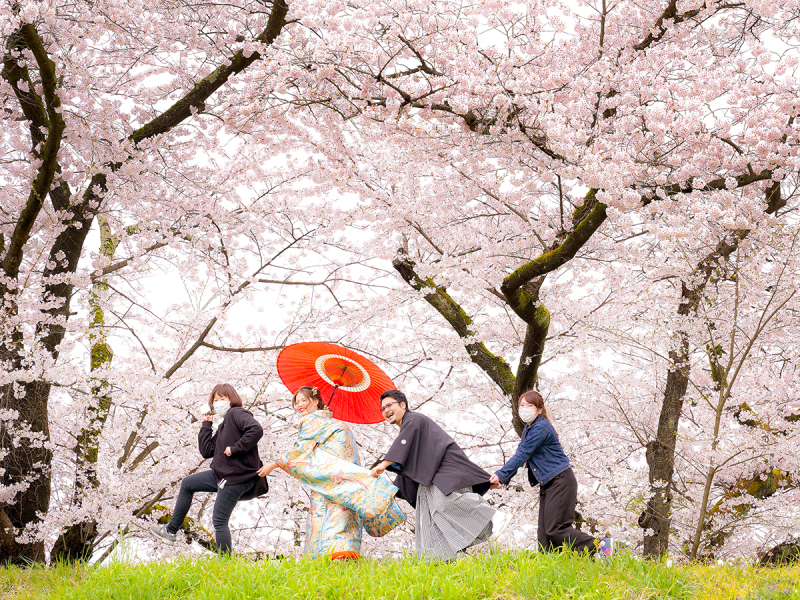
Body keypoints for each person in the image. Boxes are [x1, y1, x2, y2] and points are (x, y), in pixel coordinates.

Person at [258, 386, 404, 559]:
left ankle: (321, 560)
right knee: (344, 518)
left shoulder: (312, 421)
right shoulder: (339, 425)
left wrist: (275, 464)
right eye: (296, 402)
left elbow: (300, 451)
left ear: (317, 401)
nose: (300, 405)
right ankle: (346, 557)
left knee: (323, 518)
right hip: (347, 482)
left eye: (304, 400)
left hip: (328, 481)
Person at [370, 389, 509, 561]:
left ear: (403, 405)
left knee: (443, 502)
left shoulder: (414, 419)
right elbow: (409, 463)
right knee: (429, 514)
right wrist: (392, 490)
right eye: (382, 409)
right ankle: (437, 560)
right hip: (432, 476)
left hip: (447, 470)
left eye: (389, 405)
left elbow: (402, 446)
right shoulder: (409, 428)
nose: (385, 411)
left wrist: (383, 464)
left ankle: (491, 515)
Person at [489, 389, 612, 557]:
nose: (524, 409)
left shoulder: (541, 428)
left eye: (530, 405)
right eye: (522, 405)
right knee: (545, 537)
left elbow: (523, 453)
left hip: (560, 480)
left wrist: (501, 474)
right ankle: (553, 571)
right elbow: (521, 457)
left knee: (556, 529)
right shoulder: (529, 429)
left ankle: (600, 545)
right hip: (549, 483)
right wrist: (503, 480)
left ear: (539, 409)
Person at [150, 383, 268, 554]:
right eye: (215, 400)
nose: (218, 403)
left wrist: (236, 448)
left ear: (232, 399)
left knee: (219, 520)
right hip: (222, 474)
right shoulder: (224, 424)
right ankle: (170, 531)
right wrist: (206, 424)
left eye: (222, 399)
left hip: (236, 477)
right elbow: (207, 451)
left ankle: (225, 563)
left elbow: (256, 429)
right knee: (188, 484)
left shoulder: (236, 413)